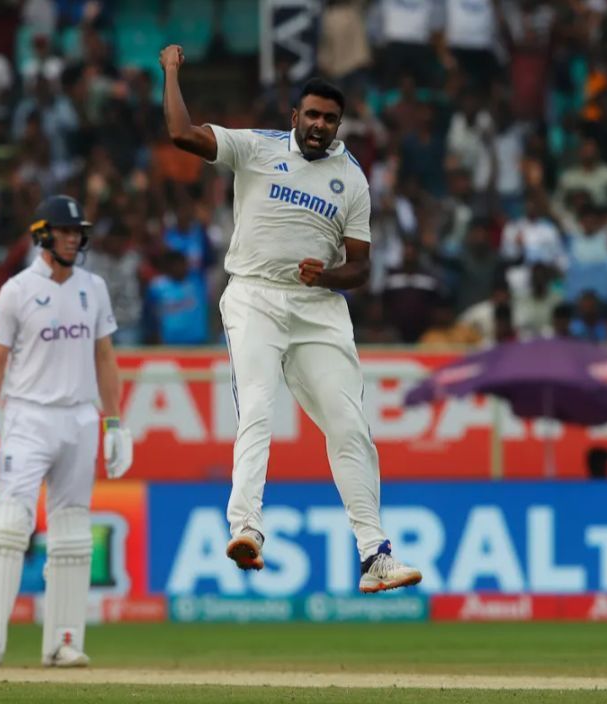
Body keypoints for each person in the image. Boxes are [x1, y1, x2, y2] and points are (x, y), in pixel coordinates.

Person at [159, 44, 422, 593]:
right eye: (312, 115)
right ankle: (247, 529)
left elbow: (361, 268)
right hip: (255, 296)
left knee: (349, 423)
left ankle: (374, 554)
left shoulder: (351, 179)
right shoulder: (256, 148)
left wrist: (325, 277)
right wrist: (172, 71)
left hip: (318, 307)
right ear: (294, 116)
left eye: (330, 118)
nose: (320, 125)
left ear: (339, 124)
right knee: (256, 408)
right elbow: (182, 134)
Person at [0, 195, 133, 668]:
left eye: (77, 231)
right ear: (42, 235)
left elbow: (105, 358)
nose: (74, 237)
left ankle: (63, 641)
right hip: (28, 417)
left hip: (79, 418)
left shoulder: (92, 287)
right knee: (8, 523)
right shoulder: (16, 290)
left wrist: (114, 423)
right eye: (64, 230)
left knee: (73, 531)